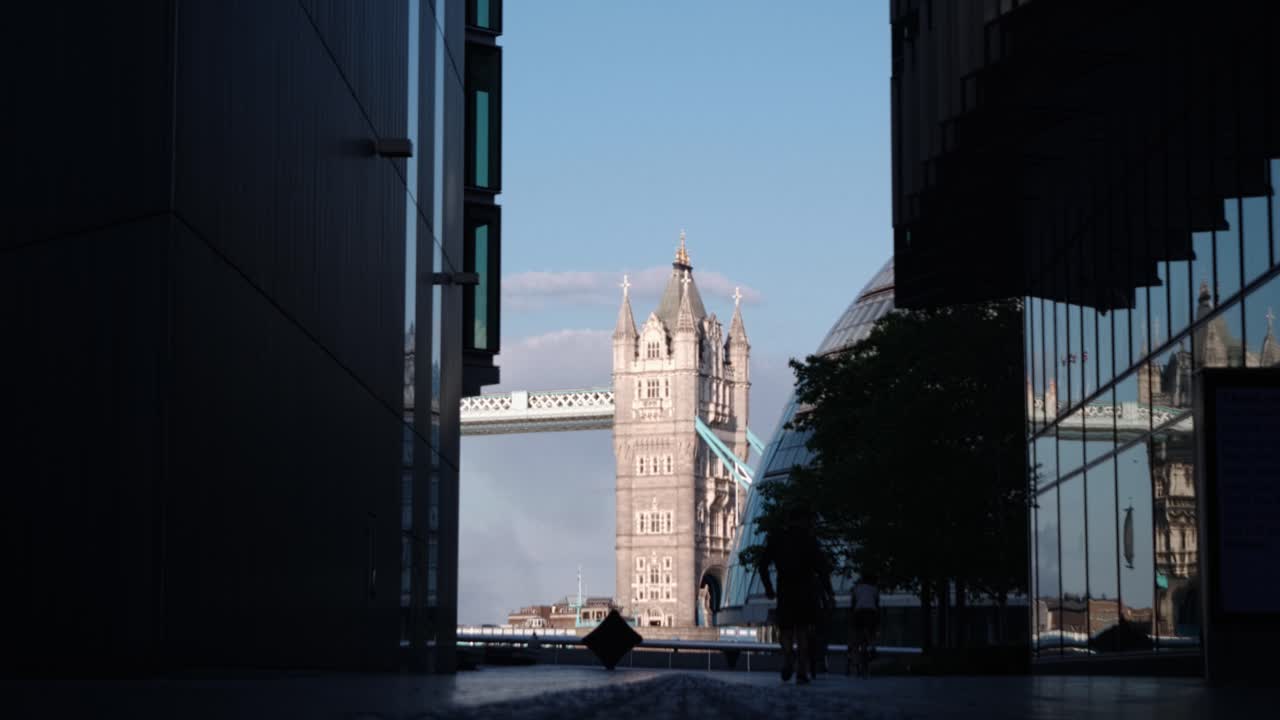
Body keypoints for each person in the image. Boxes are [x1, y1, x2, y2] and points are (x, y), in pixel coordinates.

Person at [756, 506, 825, 685]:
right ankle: (802, 671)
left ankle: (788, 655)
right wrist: (828, 591)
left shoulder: (777, 539)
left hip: (785, 589)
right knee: (802, 630)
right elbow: (822, 568)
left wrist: (769, 588)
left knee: (785, 630)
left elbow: (762, 565)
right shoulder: (809, 540)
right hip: (805, 590)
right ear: (804, 521)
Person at [849, 574, 880, 676]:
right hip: (871, 613)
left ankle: (856, 660)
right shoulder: (875, 589)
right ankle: (872, 646)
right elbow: (876, 604)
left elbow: (853, 604)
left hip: (859, 613)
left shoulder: (856, 588)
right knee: (872, 631)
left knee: (856, 638)